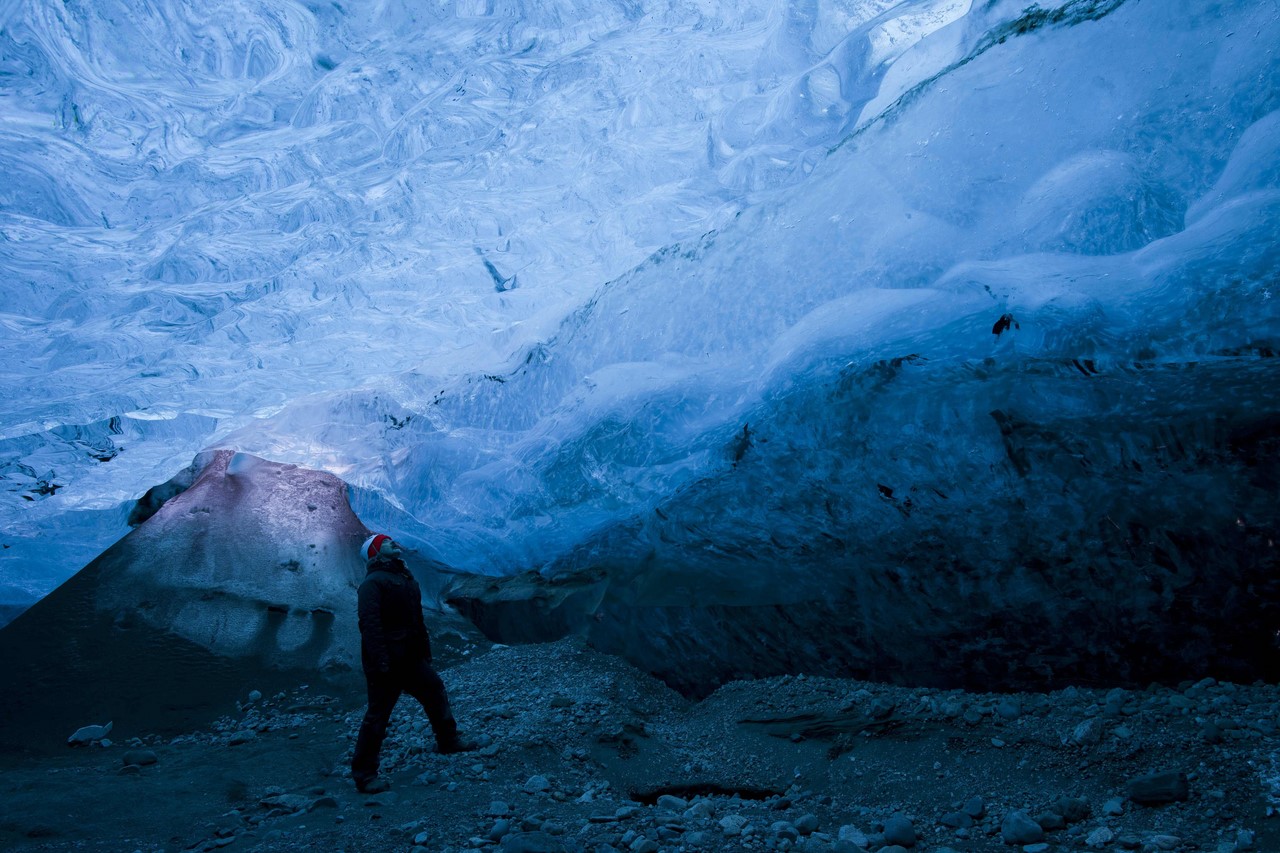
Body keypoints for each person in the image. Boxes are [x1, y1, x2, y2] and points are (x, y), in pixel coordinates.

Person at [350, 533, 476, 793]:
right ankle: (364, 775)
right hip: (387, 661)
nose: (393, 542)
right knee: (378, 715)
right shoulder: (373, 583)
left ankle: (448, 740)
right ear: (375, 552)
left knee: (434, 690)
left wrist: (424, 652)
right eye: (385, 542)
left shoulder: (402, 577)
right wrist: (381, 661)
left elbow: (416, 620)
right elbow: (369, 625)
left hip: (410, 657)